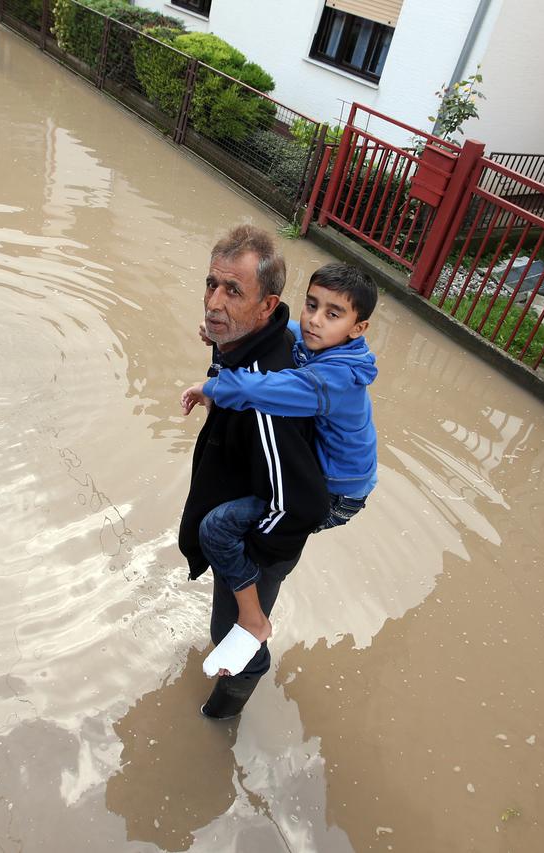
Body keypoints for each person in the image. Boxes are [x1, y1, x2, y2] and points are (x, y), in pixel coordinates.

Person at [181, 263, 378, 679]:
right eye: (311, 305)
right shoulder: (320, 345)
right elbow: (282, 329)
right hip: (329, 476)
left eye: (332, 314)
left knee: (218, 530)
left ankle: (252, 623)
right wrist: (226, 333)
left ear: (357, 329)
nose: (313, 320)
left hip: (337, 495)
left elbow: (266, 390)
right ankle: (249, 622)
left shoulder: (332, 379)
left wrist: (212, 387)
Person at [178, 225, 329, 721]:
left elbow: (302, 504)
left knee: (235, 635)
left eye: (233, 291)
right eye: (211, 285)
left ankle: (225, 706)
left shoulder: (269, 395)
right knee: (233, 621)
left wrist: (243, 568)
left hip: (259, 542)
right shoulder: (240, 338)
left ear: (268, 306)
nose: (213, 302)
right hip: (244, 521)